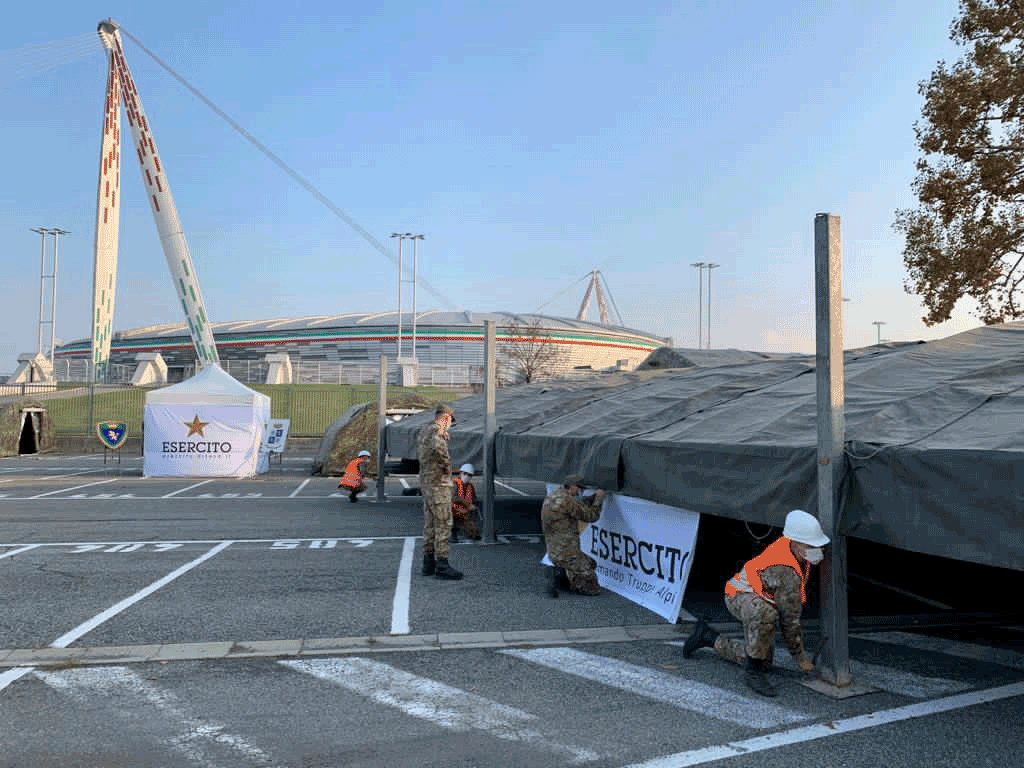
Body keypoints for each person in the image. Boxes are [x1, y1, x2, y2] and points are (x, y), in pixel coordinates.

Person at [681, 509, 830, 698]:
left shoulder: (793, 546)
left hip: (753, 597)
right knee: (766, 616)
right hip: (739, 596)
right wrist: (801, 659)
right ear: (797, 544)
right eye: (812, 546)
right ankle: (752, 674)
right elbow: (789, 621)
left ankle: (708, 637)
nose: (819, 551)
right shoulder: (786, 571)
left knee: (761, 659)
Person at [417, 403, 463, 580]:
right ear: (445, 418)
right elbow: (439, 452)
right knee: (443, 523)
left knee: (430, 524)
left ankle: (428, 563)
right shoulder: (437, 432)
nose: (450, 425)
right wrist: (447, 470)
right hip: (438, 484)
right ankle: (442, 565)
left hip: (427, 484)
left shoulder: (424, 431)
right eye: (450, 421)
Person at [541, 475, 607, 596]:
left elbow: (578, 504)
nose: (579, 492)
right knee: (592, 588)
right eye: (579, 488)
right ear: (572, 486)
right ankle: (559, 577)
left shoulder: (554, 495)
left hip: (554, 551)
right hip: (568, 553)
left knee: (590, 563)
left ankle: (561, 574)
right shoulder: (568, 500)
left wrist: (591, 498)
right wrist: (598, 499)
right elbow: (591, 516)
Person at [451, 463, 480, 541]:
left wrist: (473, 505)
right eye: (466, 474)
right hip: (453, 509)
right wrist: (467, 505)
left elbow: (474, 499)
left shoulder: (470, 486)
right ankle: (450, 532)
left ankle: (467, 530)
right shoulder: (453, 483)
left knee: (474, 534)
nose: (467, 476)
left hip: (464, 511)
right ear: (461, 473)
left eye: (470, 475)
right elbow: (452, 499)